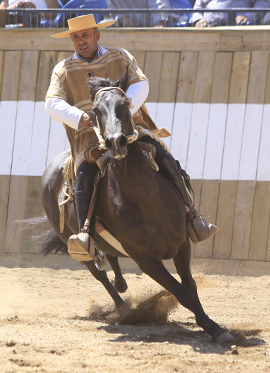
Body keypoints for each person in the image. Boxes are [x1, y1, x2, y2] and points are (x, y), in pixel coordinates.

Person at [45, 14, 217, 260]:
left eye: (85, 35)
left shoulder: (120, 56)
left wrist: (123, 111)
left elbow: (140, 83)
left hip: (129, 130)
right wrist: (80, 117)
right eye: (75, 37)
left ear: (97, 35)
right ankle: (85, 235)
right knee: (84, 174)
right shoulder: (63, 70)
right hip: (89, 138)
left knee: (164, 156)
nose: (80, 41)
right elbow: (51, 103)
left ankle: (191, 216)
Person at [190, 0, 270, 26]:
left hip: (237, 30)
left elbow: (263, 2)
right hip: (207, 29)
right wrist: (199, 19)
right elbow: (198, 7)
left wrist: (248, 16)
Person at [107, 0, 172, 27]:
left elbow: (158, 4)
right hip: (129, 32)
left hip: (155, 28)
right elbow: (114, 13)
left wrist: (158, 23)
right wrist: (122, 18)